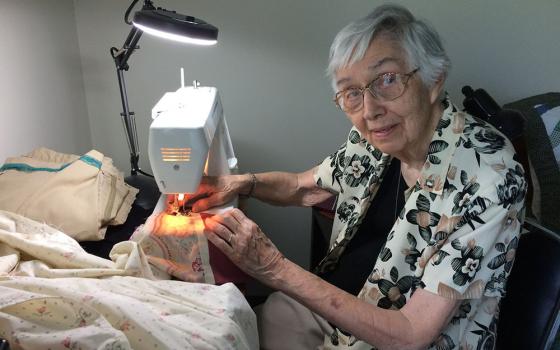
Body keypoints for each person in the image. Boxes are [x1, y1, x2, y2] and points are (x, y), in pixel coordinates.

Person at [191, 4, 527, 349]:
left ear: (432, 82)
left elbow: (412, 334)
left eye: (387, 80)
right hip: (342, 306)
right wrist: (241, 183)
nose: (370, 110)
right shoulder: (375, 139)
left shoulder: (489, 174)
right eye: (352, 92)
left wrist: (274, 268)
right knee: (239, 321)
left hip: (406, 337)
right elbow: (302, 188)